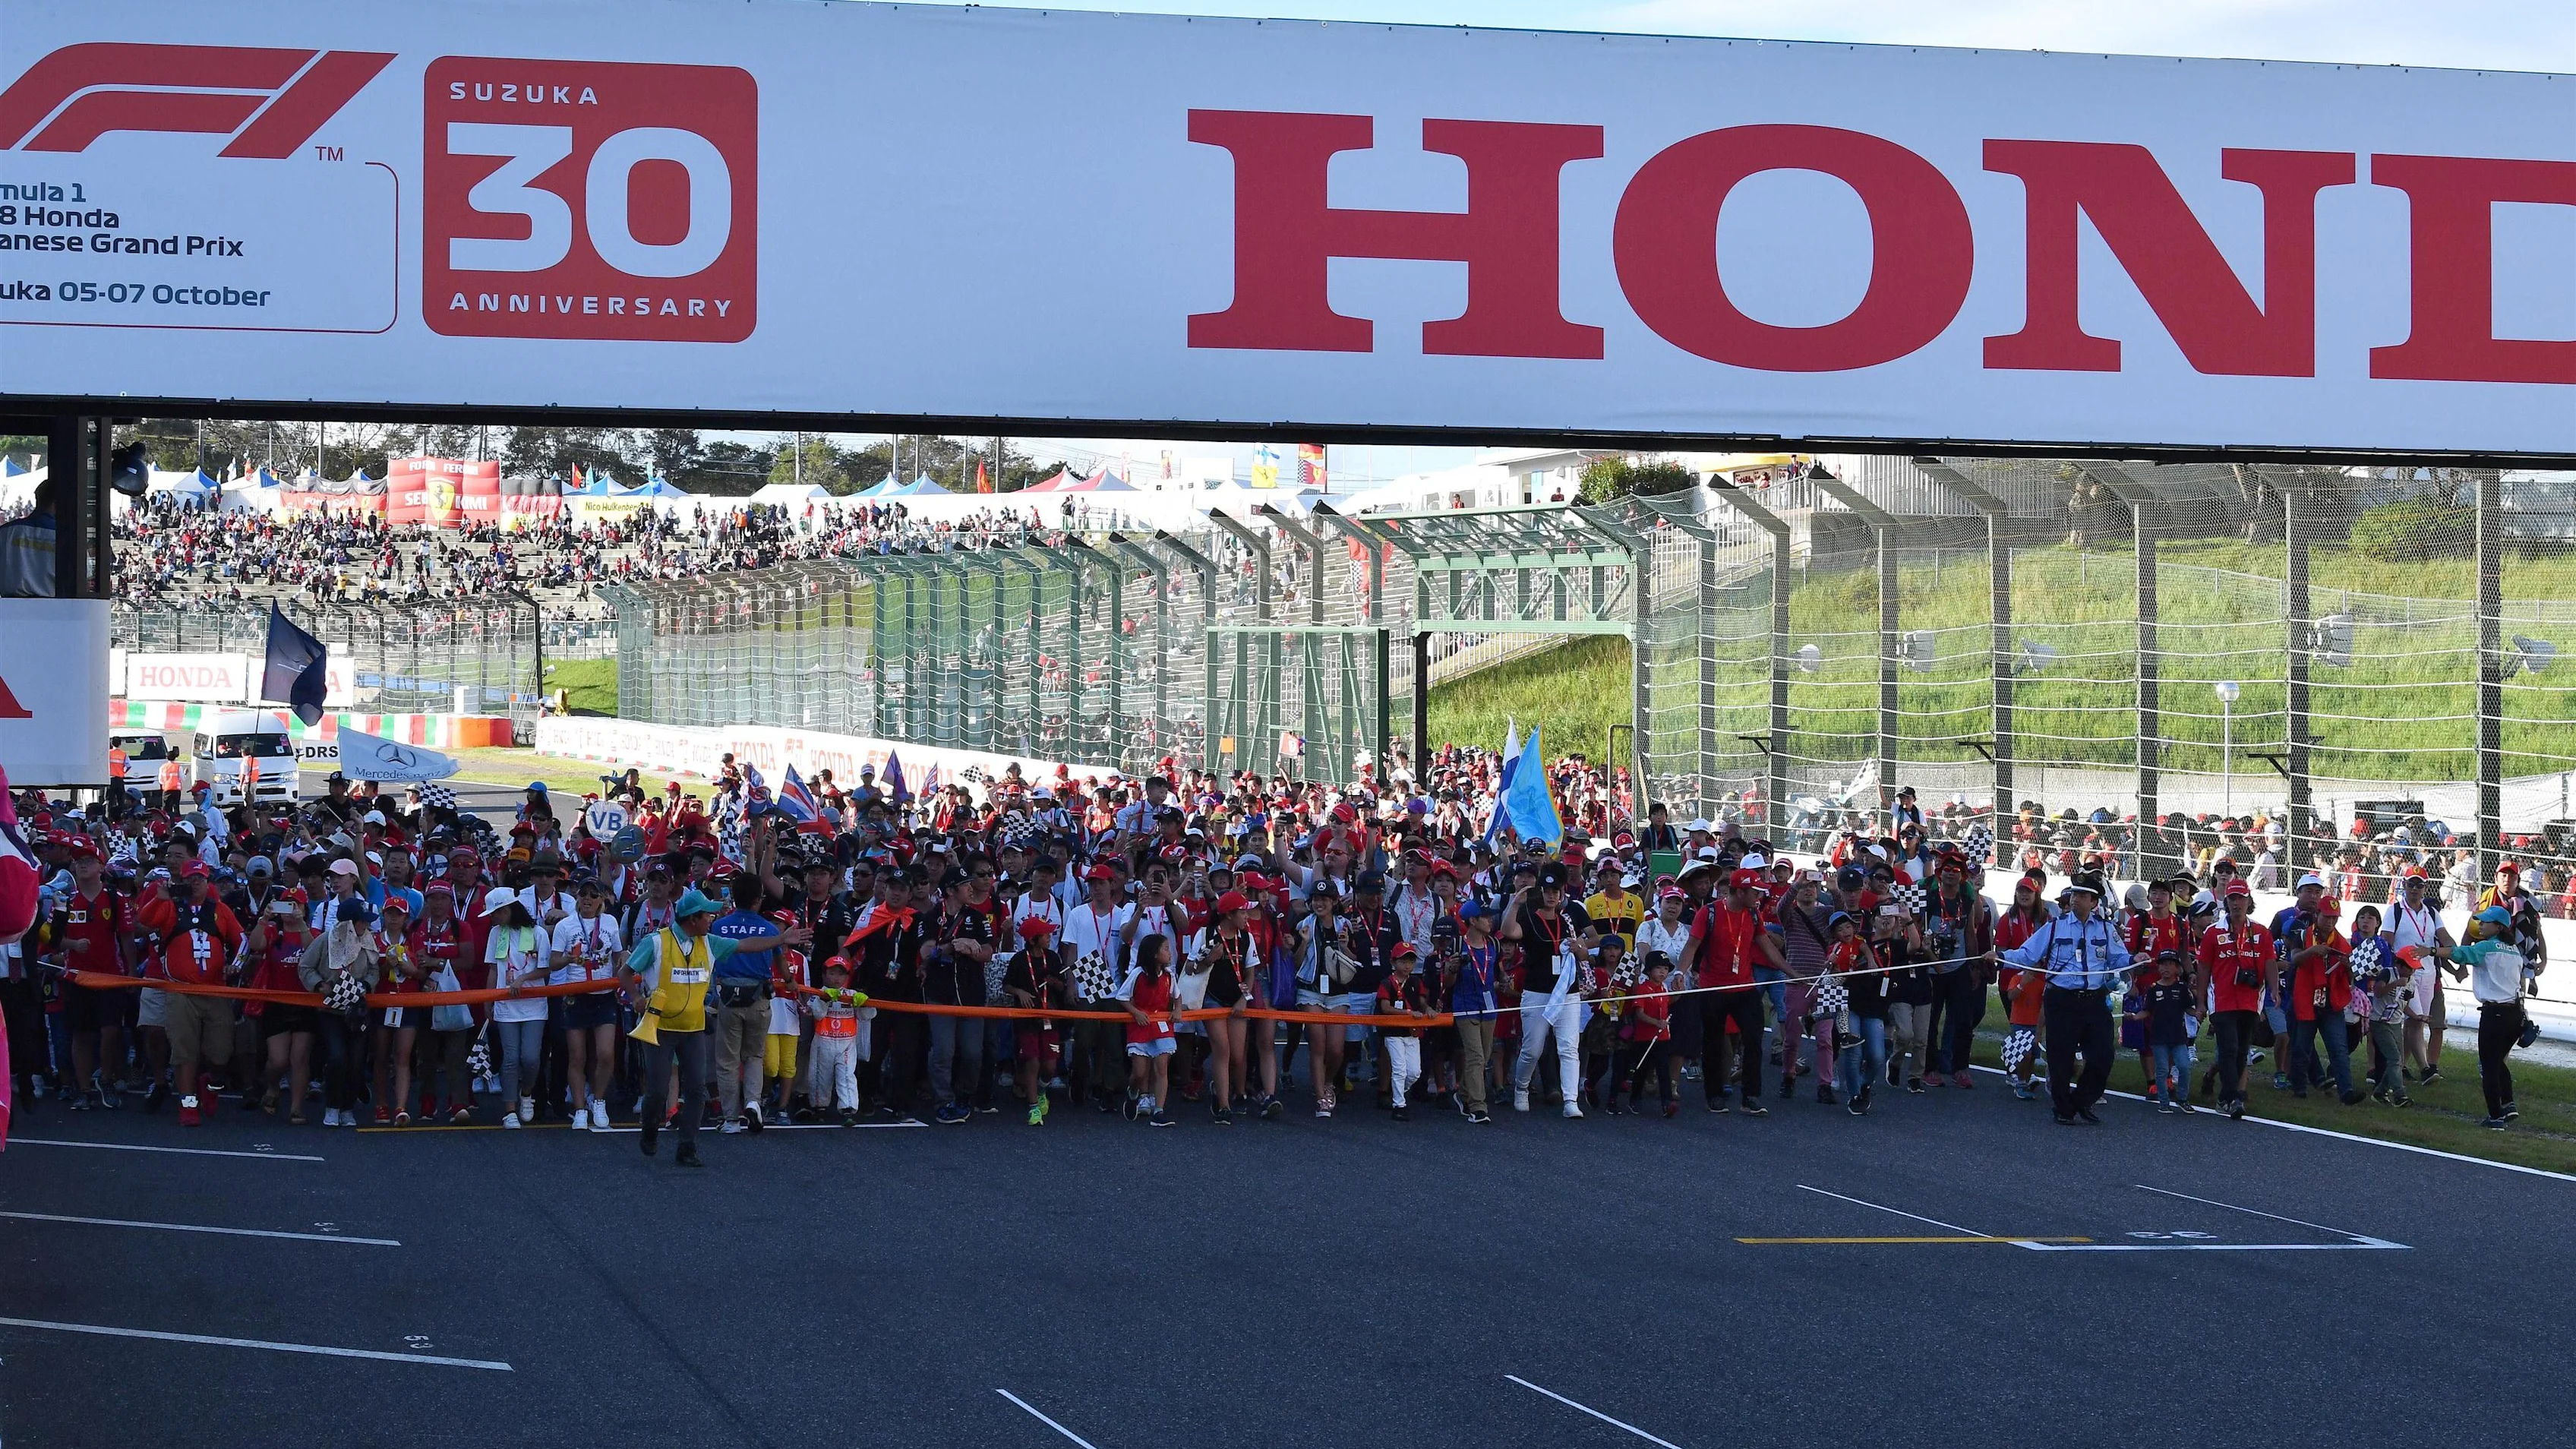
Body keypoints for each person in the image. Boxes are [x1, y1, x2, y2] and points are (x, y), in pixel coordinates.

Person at [620, 888, 788, 1166]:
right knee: (658, 1090)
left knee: (697, 1089)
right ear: (692, 919)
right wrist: (636, 998)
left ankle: (687, 1147)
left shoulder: (710, 942)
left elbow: (746, 945)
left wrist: (780, 940)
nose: (712, 919)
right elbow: (625, 973)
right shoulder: (656, 943)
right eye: (707, 915)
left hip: (693, 1029)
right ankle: (649, 1130)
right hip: (659, 1028)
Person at [2002, 873, 2129, 1126]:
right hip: (2062, 999)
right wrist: (1999, 955)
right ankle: (2063, 1108)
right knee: (2061, 1057)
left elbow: (2118, 959)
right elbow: (2027, 954)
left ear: (2094, 902)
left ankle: (2082, 1100)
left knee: (2103, 1055)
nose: (2076, 900)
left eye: (2082, 896)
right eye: (2074, 894)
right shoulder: (2054, 927)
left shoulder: (2106, 929)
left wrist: (2134, 961)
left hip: (2094, 999)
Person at [135, 861, 244, 1128]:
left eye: (200, 878)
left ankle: (211, 1084)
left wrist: (235, 966)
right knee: (185, 1052)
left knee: (221, 1053)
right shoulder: (171, 907)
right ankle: (188, 1104)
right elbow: (144, 921)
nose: (195, 883)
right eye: (190, 878)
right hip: (180, 991)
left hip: (215, 990)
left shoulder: (221, 910)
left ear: (208, 883)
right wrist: (160, 900)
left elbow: (241, 941)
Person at [1503, 860, 1593, 1119]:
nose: (1552, 896)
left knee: (1568, 1046)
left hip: (1567, 991)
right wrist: (1516, 904)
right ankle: (1521, 1088)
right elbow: (1509, 931)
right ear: (1541, 892)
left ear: (1562, 894)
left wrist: (1580, 950)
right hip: (1538, 991)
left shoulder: (1567, 921)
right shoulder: (1529, 918)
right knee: (1533, 1048)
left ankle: (1570, 1101)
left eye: (1556, 892)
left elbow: (1584, 952)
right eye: (1548, 891)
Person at [550, 875, 624, 1132]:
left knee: (605, 1053)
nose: (588, 900)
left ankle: (599, 1101)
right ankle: (580, 1108)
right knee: (577, 1056)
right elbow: (553, 962)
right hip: (576, 995)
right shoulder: (565, 926)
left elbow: (618, 953)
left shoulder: (611, 922)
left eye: (594, 895)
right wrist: (570, 959)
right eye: (583, 894)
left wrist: (624, 960)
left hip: (603, 995)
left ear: (602, 899)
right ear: (577, 897)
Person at [2196, 880, 2275, 1121]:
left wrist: (2275, 991)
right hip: (2222, 1000)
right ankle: (2233, 1097)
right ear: (2226, 902)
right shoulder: (2214, 932)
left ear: (2249, 901)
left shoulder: (2261, 932)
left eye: (2241, 898)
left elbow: (2270, 962)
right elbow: (2204, 969)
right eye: (2232, 899)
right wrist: (2201, 1001)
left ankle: (2225, 1098)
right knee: (2229, 1048)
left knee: (2242, 1051)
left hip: (2251, 1000)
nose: (2236, 903)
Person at [2451, 905, 2528, 1128]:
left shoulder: (2486, 947)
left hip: (2494, 1013)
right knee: (2497, 1061)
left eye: (2485, 922)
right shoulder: (2514, 951)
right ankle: (2509, 1103)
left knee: (2488, 1066)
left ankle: (2495, 1117)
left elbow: (2461, 953)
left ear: (2498, 927)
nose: (2480, 925)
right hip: (2514, 1013)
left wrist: (2434, 951)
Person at [481, 886, 549, 1129]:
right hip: (506, 1005)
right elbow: (492, 969)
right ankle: (509, 1110)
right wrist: (488, 1001)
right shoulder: (495, 934)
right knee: (510, 1058)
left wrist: (522, 979)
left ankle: (527, 1093)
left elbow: (545, 968)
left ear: (509, 910)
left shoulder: (538, 933)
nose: (493, 918)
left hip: (534, 1006)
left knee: (531, 1058)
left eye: (496, 913)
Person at [1118, 932, 1179, 1128]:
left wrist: (1177, 1009)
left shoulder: (1170, 976)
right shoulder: (1137, 974)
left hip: (1162, 1024)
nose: (1170, 953)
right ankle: (1134, 1092)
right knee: (1139, 1073)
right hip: (1141, 1024)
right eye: (1166, 949)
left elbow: (1177, 996)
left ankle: (1159, 1111)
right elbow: (1122, 997)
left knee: (1162, 1067)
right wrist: (1136, 1013)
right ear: (1154, 954)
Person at [801, 956, 871, 1126]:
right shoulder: (818, 994)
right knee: (819, 1076)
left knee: (847, 1076)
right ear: (824, 975)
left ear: (847, 977)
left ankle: (848, 1109)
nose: (836, 978)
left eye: (841, 974)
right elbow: (815, 1013)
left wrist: (866, 1004)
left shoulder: (853, 995)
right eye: (832, 973)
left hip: (847, 1044)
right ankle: (819, 1108)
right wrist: (824, 1000)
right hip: (823, 1041)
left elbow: (868, 1016)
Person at [1616, 951, 1681, 1117]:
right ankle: (1635, 1099)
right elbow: (1639, 1014)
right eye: (1658, 968)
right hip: (1644, 1038)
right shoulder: (1644, 989)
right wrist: (1656, 1022)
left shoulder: (1663, 988)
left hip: (1662, 1038)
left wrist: (1679, 993)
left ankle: (1667, 1103)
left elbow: (1668, 1002)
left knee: (1663, 1070)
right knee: (1642, 1070)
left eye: (1666, 969)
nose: (1663, 972)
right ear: (1650, 970)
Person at [1374, 940, 1432, 1119]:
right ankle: (1399, 1105)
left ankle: (1398, 1091)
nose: (1407, 965)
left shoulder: (1416, 982)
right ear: (1393, 962)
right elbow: (1385, 1008)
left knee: (1414, 1072)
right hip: (1393, 1033)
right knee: (1399, 1069)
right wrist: (1408, 1012)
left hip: (1412, 1032)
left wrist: (1428, 1010)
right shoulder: (1387, 983)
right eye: (1403, 961)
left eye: (1411, 961)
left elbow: (1422, 1003)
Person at [2143, 951, 2195, 1114]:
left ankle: (2182, 1098)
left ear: (2177, 969)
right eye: (2162, 965)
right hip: (2159, 1037)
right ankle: (2164, 1102)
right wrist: (2134, 1017)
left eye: (2169, 964)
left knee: (2184, 1067)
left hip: (2178, 1037)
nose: (2165, 968)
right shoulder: (2153, 989)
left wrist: (2198, 1013)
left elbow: (2189, 1008)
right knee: (2162, 1069)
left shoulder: (2182, 988)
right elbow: (2147, 1011)